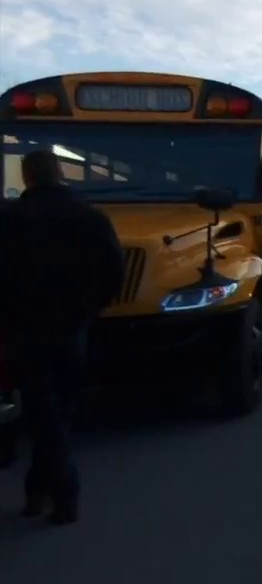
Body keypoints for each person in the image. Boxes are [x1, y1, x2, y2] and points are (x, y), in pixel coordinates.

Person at [0, 149, 125, 525]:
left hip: (24, 327)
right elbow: (114, 269)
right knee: (59, 409)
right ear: (60, 173)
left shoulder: (9, 219)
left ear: (28, 176)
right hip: (73, 325)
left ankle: (57, 491)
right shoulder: (90, 218)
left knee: (43, 411)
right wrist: (92, 308)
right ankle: (43, 492)